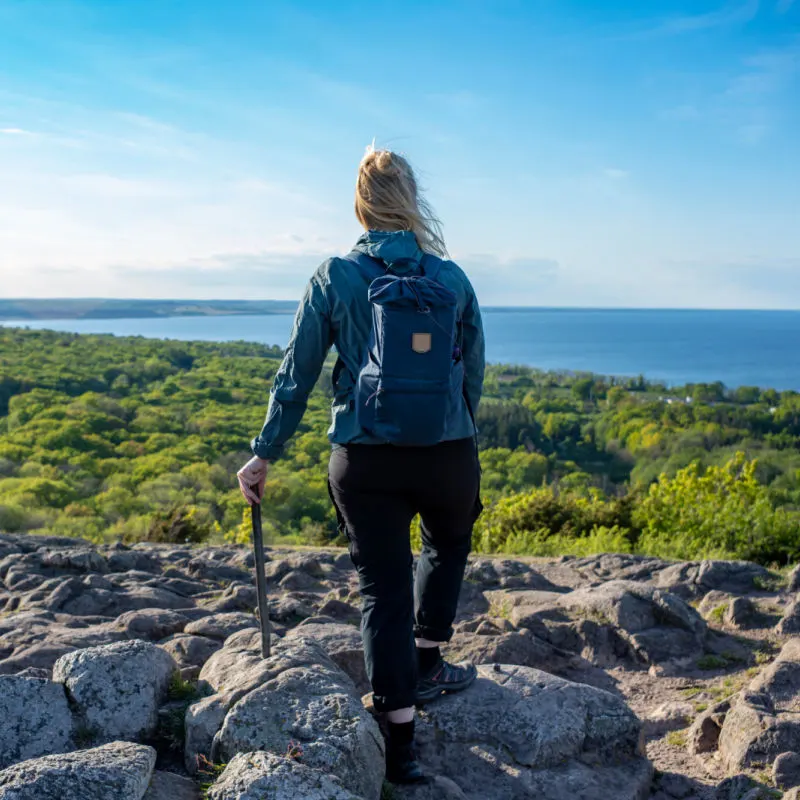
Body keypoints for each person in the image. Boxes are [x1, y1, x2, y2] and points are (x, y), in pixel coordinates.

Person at [237, 146, 485, 784]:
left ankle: (399, 745)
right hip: (446, 453)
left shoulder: (334, 276)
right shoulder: (451, 278)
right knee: (447, 542)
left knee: (383, 589)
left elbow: (296, 375)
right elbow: (473, 372)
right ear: (411, 199)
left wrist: (264, 454)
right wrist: (453, 433)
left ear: (361, 203)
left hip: (364, 459)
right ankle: (430, 658)